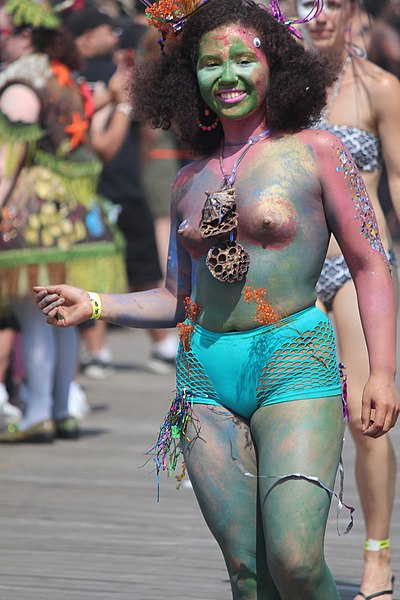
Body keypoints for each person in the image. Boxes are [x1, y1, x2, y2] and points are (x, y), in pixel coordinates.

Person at [35, 0, 399, 597]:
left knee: (296, 561)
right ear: (189, 78)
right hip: (204, 376)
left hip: (294, 363)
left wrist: (381, 372)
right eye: (209, 64)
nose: (225, 76)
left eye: (241, 59)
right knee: (248, 573)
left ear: (275, 65)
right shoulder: (188, 181)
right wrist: (95, 303)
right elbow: (175, 298)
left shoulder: (318, 151)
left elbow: (370, 263)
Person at [297, 1, 400, 598]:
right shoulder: (277, 91)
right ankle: (294, 556)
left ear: (351, 9)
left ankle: (377, 557)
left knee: (369, 421)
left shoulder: (380, 89)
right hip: (297, 269)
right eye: (306, 3)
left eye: (331, 2)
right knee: (291, 416)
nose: (319, 15)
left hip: (359, 270)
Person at [0, 0, 125, 443]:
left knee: (34, 315)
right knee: (63, 314)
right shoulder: (66, 77)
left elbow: (8, 160)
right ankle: (59, 407)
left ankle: (37, 413)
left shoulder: (21, 81)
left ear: (25, 35)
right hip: (76, 212)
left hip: (32, 214)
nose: (3, 43)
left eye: (5, 35)